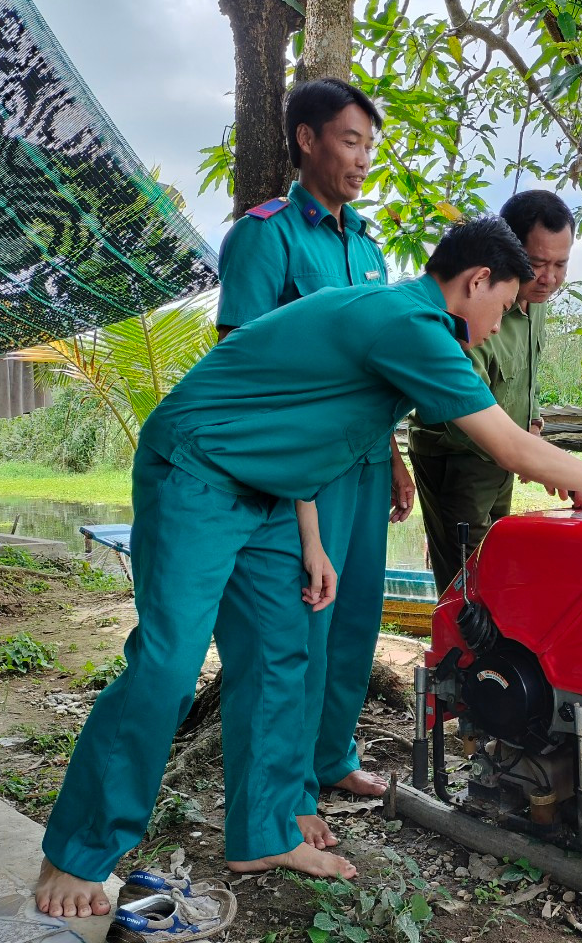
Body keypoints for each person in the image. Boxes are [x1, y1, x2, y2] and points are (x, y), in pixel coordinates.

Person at [33, 217, 582, 919]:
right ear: (476, 281)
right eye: (504, 303)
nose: (501, 324)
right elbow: (512, 449)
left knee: (282, 659)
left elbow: (303, 422)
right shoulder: (410, 322)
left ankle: (264, 831)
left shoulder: (403, 324)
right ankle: (77, 852)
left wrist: (311, 542)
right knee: (166, 665)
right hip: (198, 470)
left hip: (274, 494)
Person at [212, 78, 412, 850]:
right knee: (303, 625)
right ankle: (288, 790)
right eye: (350, 140)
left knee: (357, 619)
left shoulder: (366, 245)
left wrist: (393, 455)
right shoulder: (265, 236)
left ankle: (333, 756)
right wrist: (293, 485)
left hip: (363, 466)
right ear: (306, 139)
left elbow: (372, 370)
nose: (363, 158)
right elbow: (247, 372)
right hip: (304, 475)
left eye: (370, 143)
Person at [408, 190, 574, 593]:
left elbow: (525, 377)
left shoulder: (536, 300)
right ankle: (461, 656)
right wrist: (533, 457)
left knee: (495, 567)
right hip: (459, 455)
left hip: (506, 453)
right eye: (537, 264)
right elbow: (463, 413)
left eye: (560, 264)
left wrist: (532, 427)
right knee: (467, 581)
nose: (548, 279)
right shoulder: (474, 309)